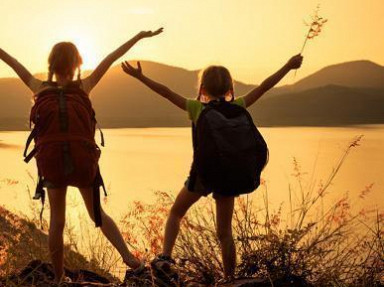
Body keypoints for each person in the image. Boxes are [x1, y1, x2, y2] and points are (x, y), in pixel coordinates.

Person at [0, 27, 163, 284]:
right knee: (96, 213)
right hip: (83, 164)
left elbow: (10, 60)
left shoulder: (39, 87)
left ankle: (58, 277)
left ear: (51, 64)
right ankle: (129, 258)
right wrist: (138, 37)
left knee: (57, 220)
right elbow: (110, 58)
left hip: (52, 165)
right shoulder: (84, 87)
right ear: (77, 63)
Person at [121, 53, 303, 281]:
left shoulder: (197, 109)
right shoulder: (238, 105)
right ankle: (229, 278)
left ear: (203, 87)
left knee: (176, 212)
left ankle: (166, 257)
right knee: (225, 233)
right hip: (228, 176)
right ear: (229, 87)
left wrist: (141, 77)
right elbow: (265, 86)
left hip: (202, 176)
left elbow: (166, 92)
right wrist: (288, 65)